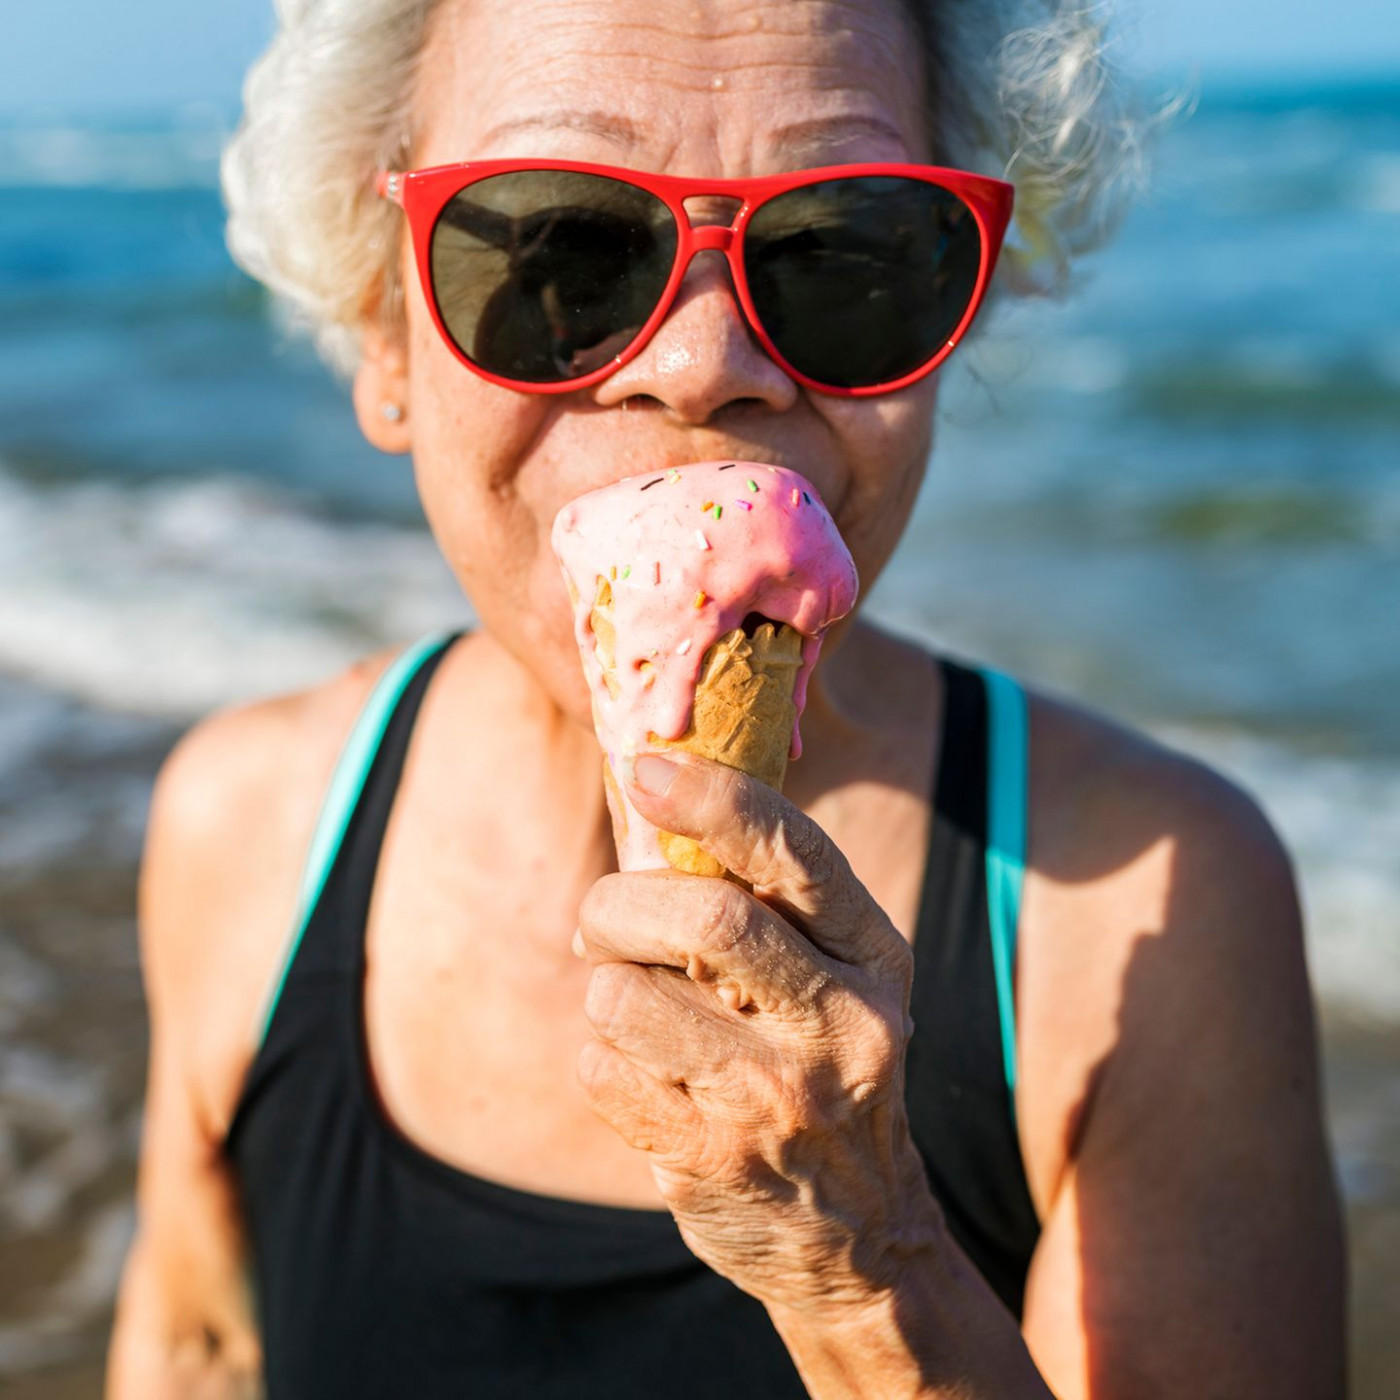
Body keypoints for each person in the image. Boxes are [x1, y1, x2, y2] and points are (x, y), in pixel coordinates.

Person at [105, 0, 1348, 1396]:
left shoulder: (1152, 906)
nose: (704, 365)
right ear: (383, 328)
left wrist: (867, 1272)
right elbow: (197, 1344)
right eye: (563, 249)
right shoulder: (249, 825)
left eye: (842, 251)